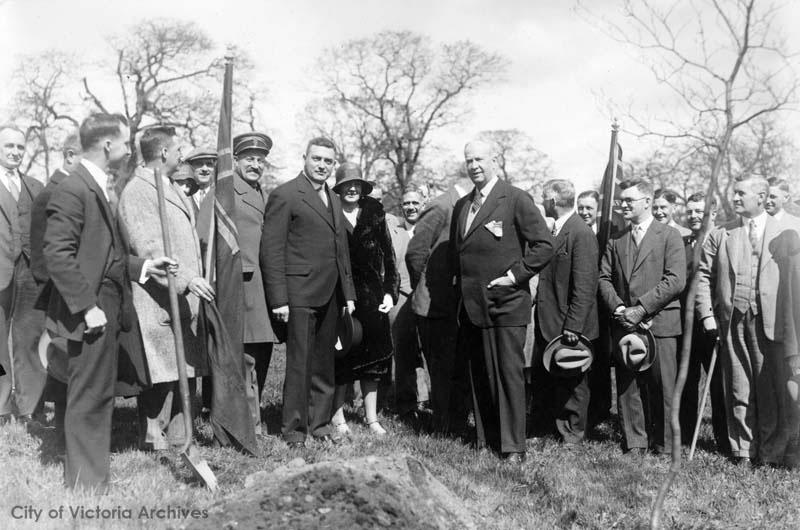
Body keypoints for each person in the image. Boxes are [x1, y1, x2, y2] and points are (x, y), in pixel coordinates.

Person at [42, 113, 174, 491]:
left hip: (108, 309)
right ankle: (86, 485)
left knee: (99, 396)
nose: (131, 148)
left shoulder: (97, 185)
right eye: (126, 141)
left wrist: (145, 265)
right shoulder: (73, 189)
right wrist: (86, 306)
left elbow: (108, 254)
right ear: (107, 146)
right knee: (87, 397)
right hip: (91, 311)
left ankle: (92, 479)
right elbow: (57, 255)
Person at [450, 140, 553, 461]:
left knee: (508, 375)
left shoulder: (516, 199)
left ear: (494, 160)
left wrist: (515, 276)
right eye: (469, 160)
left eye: (480, 159)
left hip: (506, 303)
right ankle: (486, 439)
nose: (474, 165)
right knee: (479, 372)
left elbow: (544, 245)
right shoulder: (463, 205)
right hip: (472, 306)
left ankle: (512, 447)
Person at [118, 126, 212, 451]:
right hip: (158, 297)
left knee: (179, 369)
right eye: (177, 149)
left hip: (182, 297)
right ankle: (152, 436)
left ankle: (177, 436)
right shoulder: (138, 191)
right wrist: (187, 279)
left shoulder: (169, 186)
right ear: (162, 153)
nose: (181, 155)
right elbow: (150, 249)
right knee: (160, 372)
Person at [696, 175, 800, 465]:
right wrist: (707, 315)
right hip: (733, 322)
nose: (736, 198)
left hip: (773, 324)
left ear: (762, 196)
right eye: (735, 193)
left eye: (742, 193)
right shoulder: (722, 234)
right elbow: (703, 277)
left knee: (770, 388)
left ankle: (770, 452)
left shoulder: (790, 231)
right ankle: (743, 450)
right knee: (739, 386)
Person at [262, 137, 356, 448]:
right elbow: (271, 250)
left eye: (328, 161)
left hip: (331, 294)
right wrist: (279, 299)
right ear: (305, 158)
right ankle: (294, 430)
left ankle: (320, 425)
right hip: (299, 293)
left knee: (324, 364)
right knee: (300, 364)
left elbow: (341, 249)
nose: (322, 166)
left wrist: (349, 294)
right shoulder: (285, 195)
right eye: (317, 159)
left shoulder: (334, 198)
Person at [598, 178, 685, 455]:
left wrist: (642, 308)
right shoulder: (616, 240)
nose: (622, 204)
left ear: (647, 202)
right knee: (628, 385)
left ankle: (665, 443)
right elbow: (603, 278)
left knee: (663, 387)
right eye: (621, 200)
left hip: (660, 324)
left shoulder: (669, 236)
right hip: (625, 323)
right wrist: (621, 309)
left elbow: (675, 280)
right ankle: (635, 441)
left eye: (629, 200)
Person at [201, 132, 279, 434]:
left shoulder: (259, 192)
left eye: (261, 160)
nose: (255, 165)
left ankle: (250, 414)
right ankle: (247, 422)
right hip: (239, 287)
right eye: (249, 159)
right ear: (236, 160)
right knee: (244, 356)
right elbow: (204, 238)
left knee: (259, 354)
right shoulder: (224, 190)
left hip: (261, 288)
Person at [329, 163, 398, 435]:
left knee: (374, 361)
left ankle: (371, 418)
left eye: (357, 184)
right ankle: (337, 416)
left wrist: (390, 292)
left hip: (372, 298)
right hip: (340, 297)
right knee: (341, 358)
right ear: (339, 188)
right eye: (347, 184)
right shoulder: (330, 211)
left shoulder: (374, 211)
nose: (352, 189)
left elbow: (389, 256)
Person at [531, 179, 599, 444]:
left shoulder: (580, 233)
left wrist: (574, 326)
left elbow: (585, 286)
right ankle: (548, 428)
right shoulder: (557, 230)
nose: (542, 203)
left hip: (569, 326)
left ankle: (572, 435)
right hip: (549, 321)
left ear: (552, 201)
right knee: (550, 380)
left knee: (574, 382)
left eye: (543, 198)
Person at [406, 177, 472, 434]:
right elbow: (415, 252)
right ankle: (442, 425)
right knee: (440, 368)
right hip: (434, 305)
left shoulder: (466, 208)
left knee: (457, 367)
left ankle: (457, 422)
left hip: (457, 304)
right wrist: (427, 283)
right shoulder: (441, 206)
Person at [0, 124, 46, 425]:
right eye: (8, 146)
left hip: (30, 272)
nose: (15, 152)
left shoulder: (34, 186)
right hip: (1, 270)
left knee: (29, 337)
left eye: (19, 147)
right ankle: (1, 408)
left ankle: (29, 407)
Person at [678, 191, 729, 453]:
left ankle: (723, 439)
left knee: (719, 384)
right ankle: (685, 435)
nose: (694, 216)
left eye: (701, 211)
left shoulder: (725, 239)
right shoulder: (683, 241)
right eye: (691, 211)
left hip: (714, 324)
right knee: (686, 382)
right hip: (686, 326)